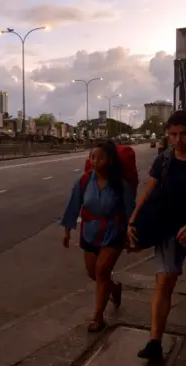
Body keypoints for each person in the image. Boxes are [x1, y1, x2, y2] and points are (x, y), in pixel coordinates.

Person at [128, 110, 186, 362]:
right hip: (168, 227)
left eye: (183, 134)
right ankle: (155, 341)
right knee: (164, 280)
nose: (178, 139)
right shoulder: (164, 160)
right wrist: (133, 220)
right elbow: (148, 193)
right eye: (172, 135)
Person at [61, 140, 136, 333]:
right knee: (92, 273)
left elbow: (131, 211)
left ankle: (98, 316)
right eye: (92, 157)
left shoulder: (121, 184)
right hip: (90, 232)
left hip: (113, 232)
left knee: (102, 271)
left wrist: (132, 234)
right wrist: (67, 231)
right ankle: (114, 288)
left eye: (100, 158)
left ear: (110, 160)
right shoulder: (84, 181)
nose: (94, 161)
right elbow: (73, 204)